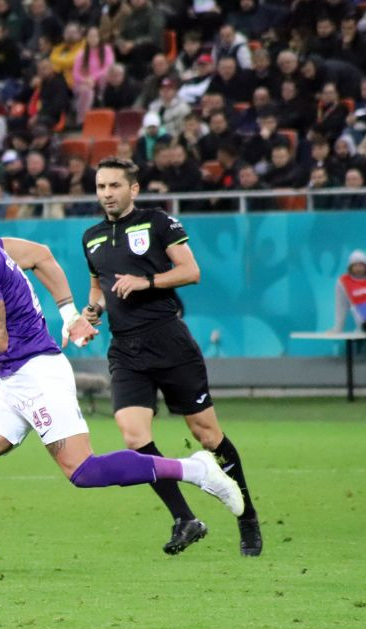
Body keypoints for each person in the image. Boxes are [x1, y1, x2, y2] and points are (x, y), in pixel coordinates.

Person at [0, 196, 243, 588]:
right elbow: (41, 255)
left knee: (83, 471)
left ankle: (196, 469)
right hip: (13, 380)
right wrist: (69, 315)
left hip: (37, 375)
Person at [81, 157, 262, 557]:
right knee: (133, 436)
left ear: (134, 189)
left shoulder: (158, 222)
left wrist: (146, 281)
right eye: (100, 187)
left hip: (168, 341)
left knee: (206, 434)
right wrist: (91, 312)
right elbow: (98, 289)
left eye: (114, 186)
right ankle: (185, 517)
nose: (106, 193)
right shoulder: (91, 237)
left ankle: (246, 515)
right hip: (125, 348)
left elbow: (191, 271)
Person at [332, 250, 366, 332]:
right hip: (363, 321)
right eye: (355, 265)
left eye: (361, 265)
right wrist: (338, 328)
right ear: (350, 267)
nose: (358, 268)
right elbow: (340, 306)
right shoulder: (343, 281)